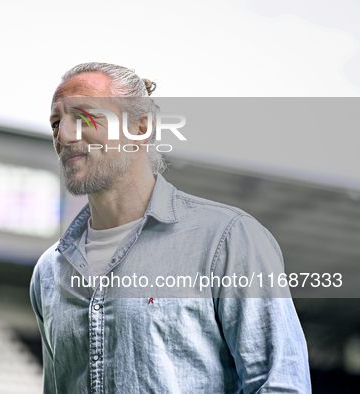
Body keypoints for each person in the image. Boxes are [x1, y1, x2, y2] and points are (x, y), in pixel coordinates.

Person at [29, 62, 311, 393]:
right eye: (56, 123)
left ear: (142, 126)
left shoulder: (228, 239)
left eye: (84, 117)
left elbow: (280, 384)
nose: (64, 136)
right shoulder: (49, 272)